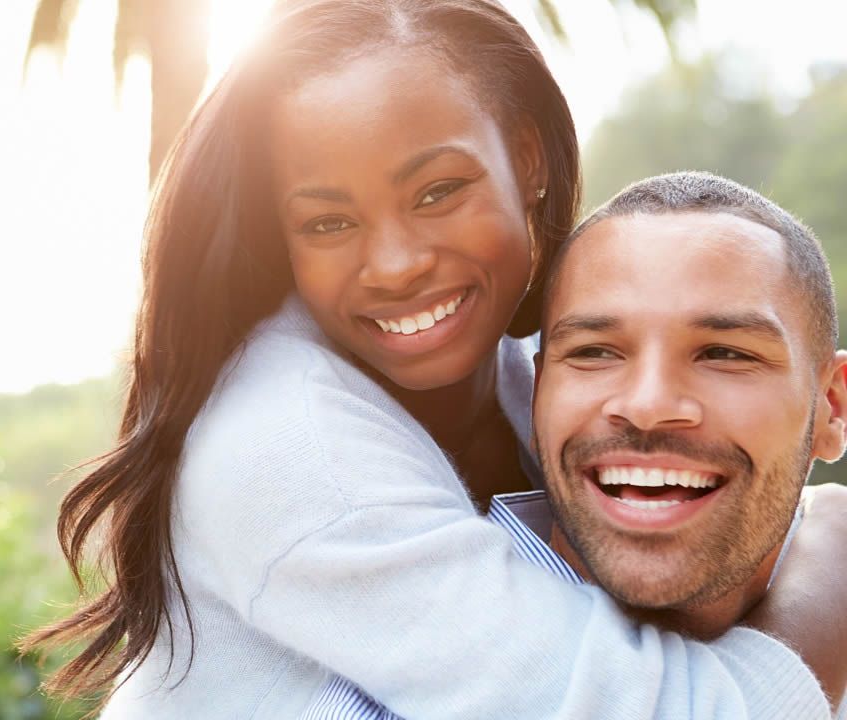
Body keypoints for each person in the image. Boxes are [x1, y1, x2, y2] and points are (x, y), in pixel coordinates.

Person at [21, 2, 847, 717]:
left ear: (526, 161)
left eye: (436, 192)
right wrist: (826, 579)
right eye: (327, 224)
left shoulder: (541, 380)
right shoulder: (289, 444)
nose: (395, 264)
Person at [308, 172, 847, 718]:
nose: (647, 405)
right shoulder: (392, 695)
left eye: (725, 355)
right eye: (595, 352)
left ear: (833, 407)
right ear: (540, 389)